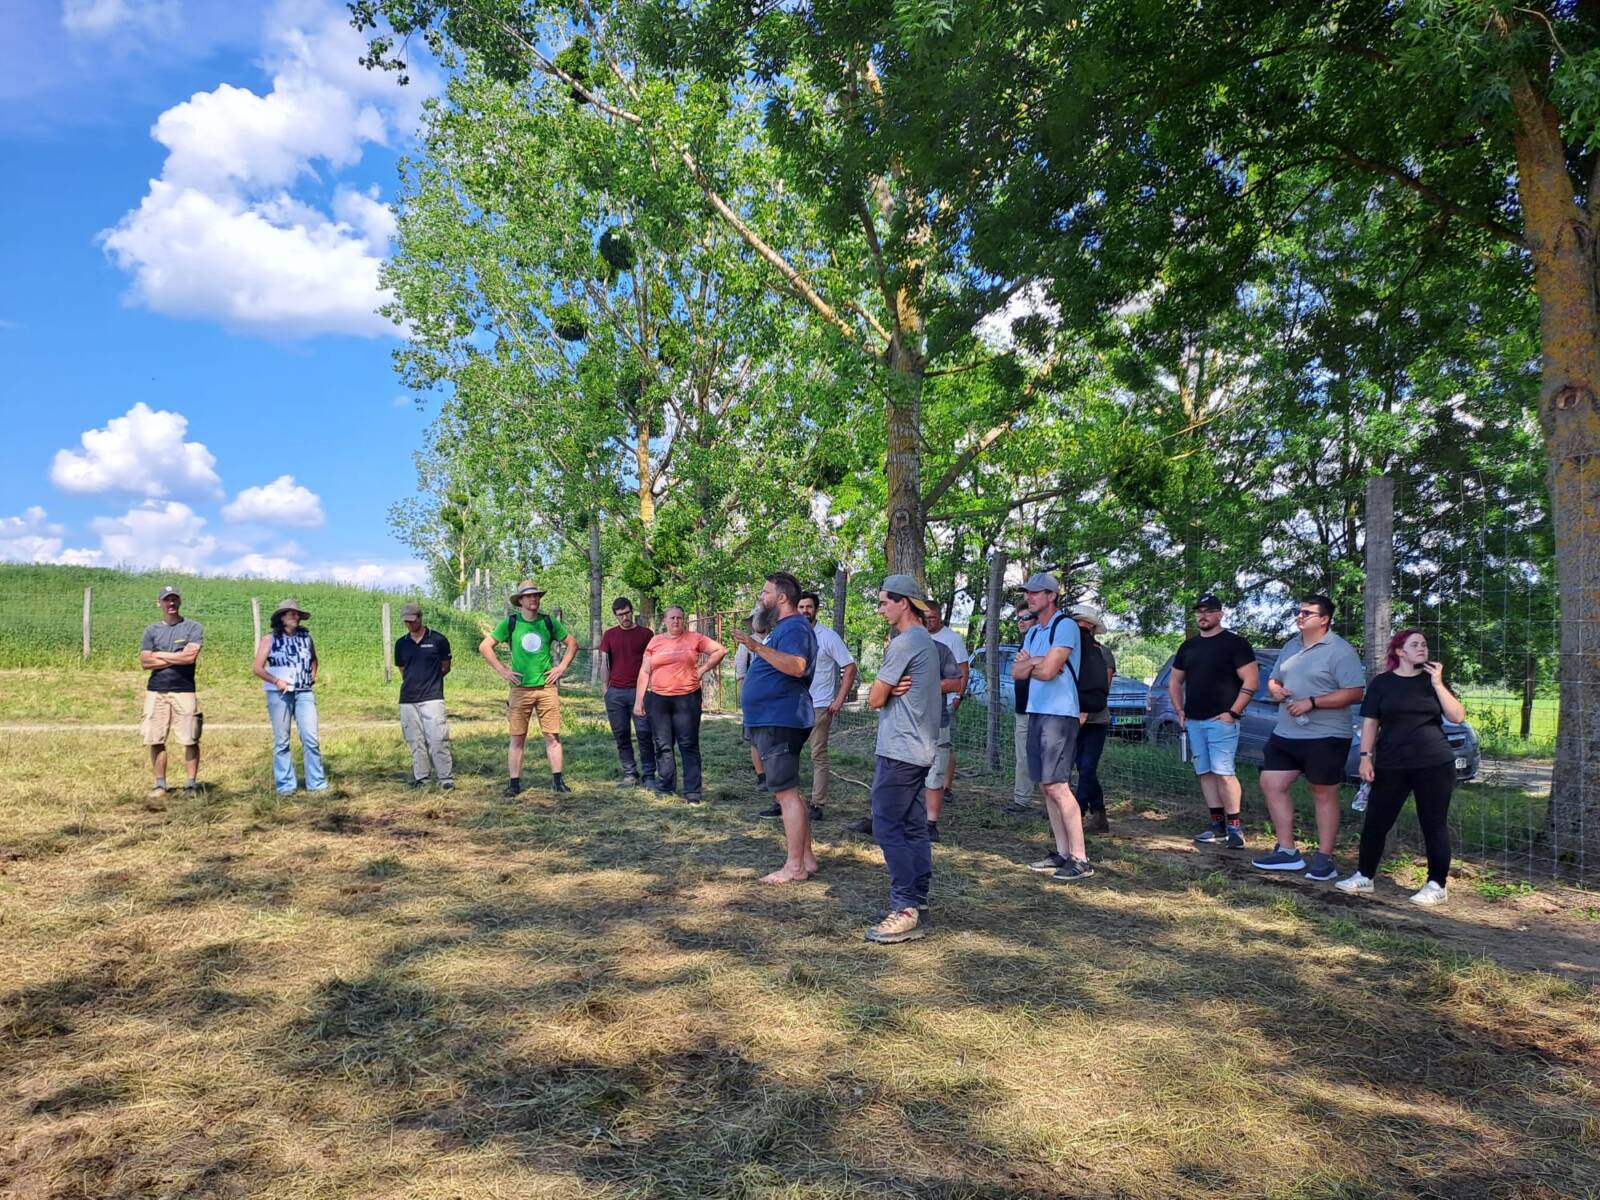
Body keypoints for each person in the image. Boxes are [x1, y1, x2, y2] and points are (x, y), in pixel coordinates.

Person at [1337, 629, 1466, 906]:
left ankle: (1437, 885)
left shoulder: (1433, 682)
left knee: (1433, 824)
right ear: (1400, 651)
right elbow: (1371, 722)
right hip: (1391, 763)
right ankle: (1364, 875)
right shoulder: (1382, 683)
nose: (1422, 648)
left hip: (1434, 763)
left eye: (1425, 644)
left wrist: (1439, 683)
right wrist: (1365, 756)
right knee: (1376, 822)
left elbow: (1456, 716)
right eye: (1415, 644)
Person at [1251, 593, 1366, 880]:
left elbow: (1354, 692)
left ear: (1325, 619)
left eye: (1307, 613)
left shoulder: (1340, 651)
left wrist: (1312, 702)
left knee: (1323, 793)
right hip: (1286, 732)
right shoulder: (1291, 645)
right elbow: (1275, 678)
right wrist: (1276, 689)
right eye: (1298, 612)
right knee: (1271, 782)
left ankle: (1324, 860)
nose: (1300, 617)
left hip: (1325, 735)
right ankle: (1288, 852)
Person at [863, 574, 943, 944]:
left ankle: (905, 909)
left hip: (901, 750)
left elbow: (874, 699)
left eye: (883, 602)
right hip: (919, 749)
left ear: (904, 603)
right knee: (913, 827)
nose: (880, 609)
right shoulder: (924, 640)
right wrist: (891, 688)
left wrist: (887, 689)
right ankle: (919, 899)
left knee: (886, 826)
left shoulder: (904, 642)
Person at [735, 572, 819, 882]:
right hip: (774, 718)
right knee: (791, 794)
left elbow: (796, 666)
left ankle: (794, 867)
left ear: (781, 598)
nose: (761, 597)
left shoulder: (795, 626)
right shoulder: (784, 628)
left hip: (781, 719)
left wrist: (755, 647)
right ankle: (806, 859)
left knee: (786, 795)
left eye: (765, 592)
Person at [1012, 571, 1093, 882]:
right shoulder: (1033, 632)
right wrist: (1038, 663)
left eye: (1036, 593)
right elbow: (1019, 671)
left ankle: (1080, 859)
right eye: (1028, 593)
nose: (1030, 597)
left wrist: (1035, 663)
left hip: (1059, 715)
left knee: (1058, 785)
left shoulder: (1066, 626)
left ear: (1052, 596)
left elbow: (1047, 671)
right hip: (1037, 711)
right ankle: (1061, 852)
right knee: (1046, 785)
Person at [1168, 594, 1258, 849]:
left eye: (1208, 611)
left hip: (1222, 721)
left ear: (1220, 614)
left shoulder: (1235, 644)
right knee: (1205, 772)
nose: (1202, 616)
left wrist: (1233, 713)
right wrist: (1178, 709)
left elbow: (1251, 680)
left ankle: (1235, 828)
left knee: (1224, 772)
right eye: (1199, 611)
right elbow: (1175, 680)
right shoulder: (1189, 647)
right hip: (1194, 720)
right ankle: (1216, 824)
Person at [480, 580, 579, 798]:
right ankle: (514, 784)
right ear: (521, 601)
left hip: (546, 688)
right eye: (529, 596)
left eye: (536, 596)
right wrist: (503, 671)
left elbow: (572, 643)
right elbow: (485, 646)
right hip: (520, 689)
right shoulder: (511, 623)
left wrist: (561, 667)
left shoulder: (548, 622)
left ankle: (558, 781)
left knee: (553, 736)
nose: (534, 599)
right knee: (517, 737)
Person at [768, 592, 856, 821]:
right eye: (801, 606)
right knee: (785, 754)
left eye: (809, 607)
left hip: (818, 705)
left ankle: (817, 804)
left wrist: (839, 699)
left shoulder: (828, 636)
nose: (805, 611)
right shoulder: (788, 633)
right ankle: (784, 801)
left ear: (816, 609)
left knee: (818, 755)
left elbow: (849, 666)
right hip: (789, 705)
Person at [634, 606, 728, 803]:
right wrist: (639, 701)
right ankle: (666, 787)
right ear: (665, 621)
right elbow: (644, 671)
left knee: (688, 744)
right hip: (658, 699)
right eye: (672, 618)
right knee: (663, 745)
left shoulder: (694, 638)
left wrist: (702, 670)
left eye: (679, 618)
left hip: (687, 699)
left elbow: (720, 650)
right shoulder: (655, 641)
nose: (676, 621)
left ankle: (692, 792)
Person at [252, 598, 326, 795]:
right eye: (291, 613)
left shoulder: (306, 638)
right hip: (279, 694)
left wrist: (313, 675)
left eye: (297, 614)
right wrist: (277, 681)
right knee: (282, 740)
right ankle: (286, 786)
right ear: (281, 617)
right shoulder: (270, 639)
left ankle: (316, 784)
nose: (295, 617)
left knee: (311, 738)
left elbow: (314, 660)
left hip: (304, 692)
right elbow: (257, 668)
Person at [138, 584, 203, 796]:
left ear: (180, 601)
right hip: (156, 691)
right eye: (166, 599)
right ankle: (160, 784)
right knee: (155, 739)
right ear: (159, 603)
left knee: (189, 738)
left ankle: (191, 784)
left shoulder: (192, 628)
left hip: (184, 690)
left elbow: (189, 657)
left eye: (174, 599)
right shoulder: (151, 630)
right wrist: (176, 656)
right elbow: (145, 662)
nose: (171, 603)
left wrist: (160, 655)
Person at [1068, 603, 1116, 835]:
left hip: (1096, 719)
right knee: (1084, 767)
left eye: (1081, 622)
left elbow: (1104, 687)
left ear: (1091, 626)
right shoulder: (1071, 649)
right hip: (1073, 716)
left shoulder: (1103, 652)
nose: (1078, 626)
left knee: (1087, 768)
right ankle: (1099, 814)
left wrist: (1086, 708)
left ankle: (1078, 812)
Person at [394, 601, 453, 790]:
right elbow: (403, 670)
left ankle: (445, 778)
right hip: (408, 699)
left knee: (437, 738)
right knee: (415, 740)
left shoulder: (438, 640)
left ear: (420, 617)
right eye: (406, 622)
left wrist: (431, 680)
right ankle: (422, 779)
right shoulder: (400, 644)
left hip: (433, 697)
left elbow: (445, 667)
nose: (410, 624)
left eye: (412, 620)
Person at [598, 596, 655, 787]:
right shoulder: (609, 635)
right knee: (621, 734)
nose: (624, 617)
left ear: (632, 611)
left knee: (644, 734)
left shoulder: (646, 634)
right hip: (616, 693)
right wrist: (606, 690)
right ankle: (630, 773)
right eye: (620, 615)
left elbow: (652, 663)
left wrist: (650, 688)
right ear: (615, 616)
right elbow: (604, 663)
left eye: (627, 613)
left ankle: (649, 775)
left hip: (640, 692)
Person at [925, 606, 971, 799]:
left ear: (940, 616)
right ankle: (927, 784)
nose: (929, 621)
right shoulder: (919, 637)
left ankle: (946, 787)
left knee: (945, 745)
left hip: (947, 700)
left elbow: (963, 670)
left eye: (933, 617)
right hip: (924, 703)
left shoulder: (952, 639)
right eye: (925, 618)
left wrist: (958, 697)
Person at [1005, 609, 1040, 815]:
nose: (1020, 622)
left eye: (1025, 617)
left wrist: (1028, 664)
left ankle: (1054, 804)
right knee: (1023, 756)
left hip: (1043, 710)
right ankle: (1021, 801)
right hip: (1022, 708)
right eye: (1018, 618)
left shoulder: (1045, 641)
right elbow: (1017, 673)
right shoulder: (1024, 644)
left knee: (1049, 757)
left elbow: (1047, 670)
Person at [737, 604, 774, 794]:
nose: (758, 623)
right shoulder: (746, 643)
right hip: (754, 697)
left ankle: (775, 773)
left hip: (774, 697)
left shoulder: (775, 639)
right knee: (755, 739)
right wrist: (746, 696)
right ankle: (762, 776)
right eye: (755, 619)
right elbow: (741, 672)